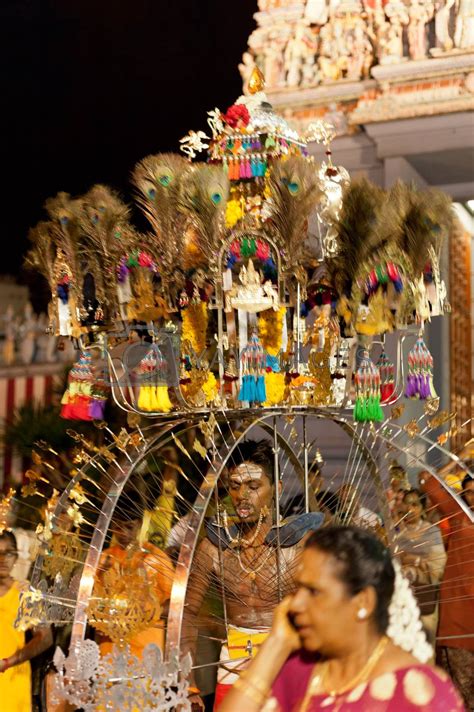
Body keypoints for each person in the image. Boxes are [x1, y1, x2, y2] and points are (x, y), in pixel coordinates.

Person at [219, 525, 464, 712]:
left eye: (314, 591)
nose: (295, 604)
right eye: (297, 589)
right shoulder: (297, 668)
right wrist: (276, 644)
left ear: (362, 602)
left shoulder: (420, 692)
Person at [182, 439, 324, 710]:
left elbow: (327, 609)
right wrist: (186, 683)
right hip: (232, 670)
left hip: (289, 667)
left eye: (254, 486)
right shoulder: (213, 547)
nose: (242, 496)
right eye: (235, 486)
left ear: (276, 489)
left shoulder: (300, 544)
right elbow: (185, 613)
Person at [420, 467, 474, 709]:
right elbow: (429, 483)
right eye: (469, 493)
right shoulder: (459, 515)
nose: (473, 497)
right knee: (461, 690)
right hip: (459, 610)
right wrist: (456, 462)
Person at [97, 514, 175, 657]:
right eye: (118, 527)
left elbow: (174, 604)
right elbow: (92, 602)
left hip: (146, 646)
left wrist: (142, 615)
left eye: (129, 527)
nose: (124, 533)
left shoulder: (155, 558)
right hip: (110, 646)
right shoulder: (104, 558)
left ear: (139, 523)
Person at [0, 531, 53, 712]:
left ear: (15, 557)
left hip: (13, 683)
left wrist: (10, 662)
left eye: (9, 553)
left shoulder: (25, 593)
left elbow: (45, 638)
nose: (3, 559)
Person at [395, 489, 446, 644]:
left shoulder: (432, 532)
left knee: (424, 643)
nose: (410, 509)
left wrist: (415, 561)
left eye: (415, 505)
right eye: (407, 504)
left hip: (424, 596)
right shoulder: (395, 531)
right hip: (400, 598)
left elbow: (439, 567)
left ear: (423, 508)